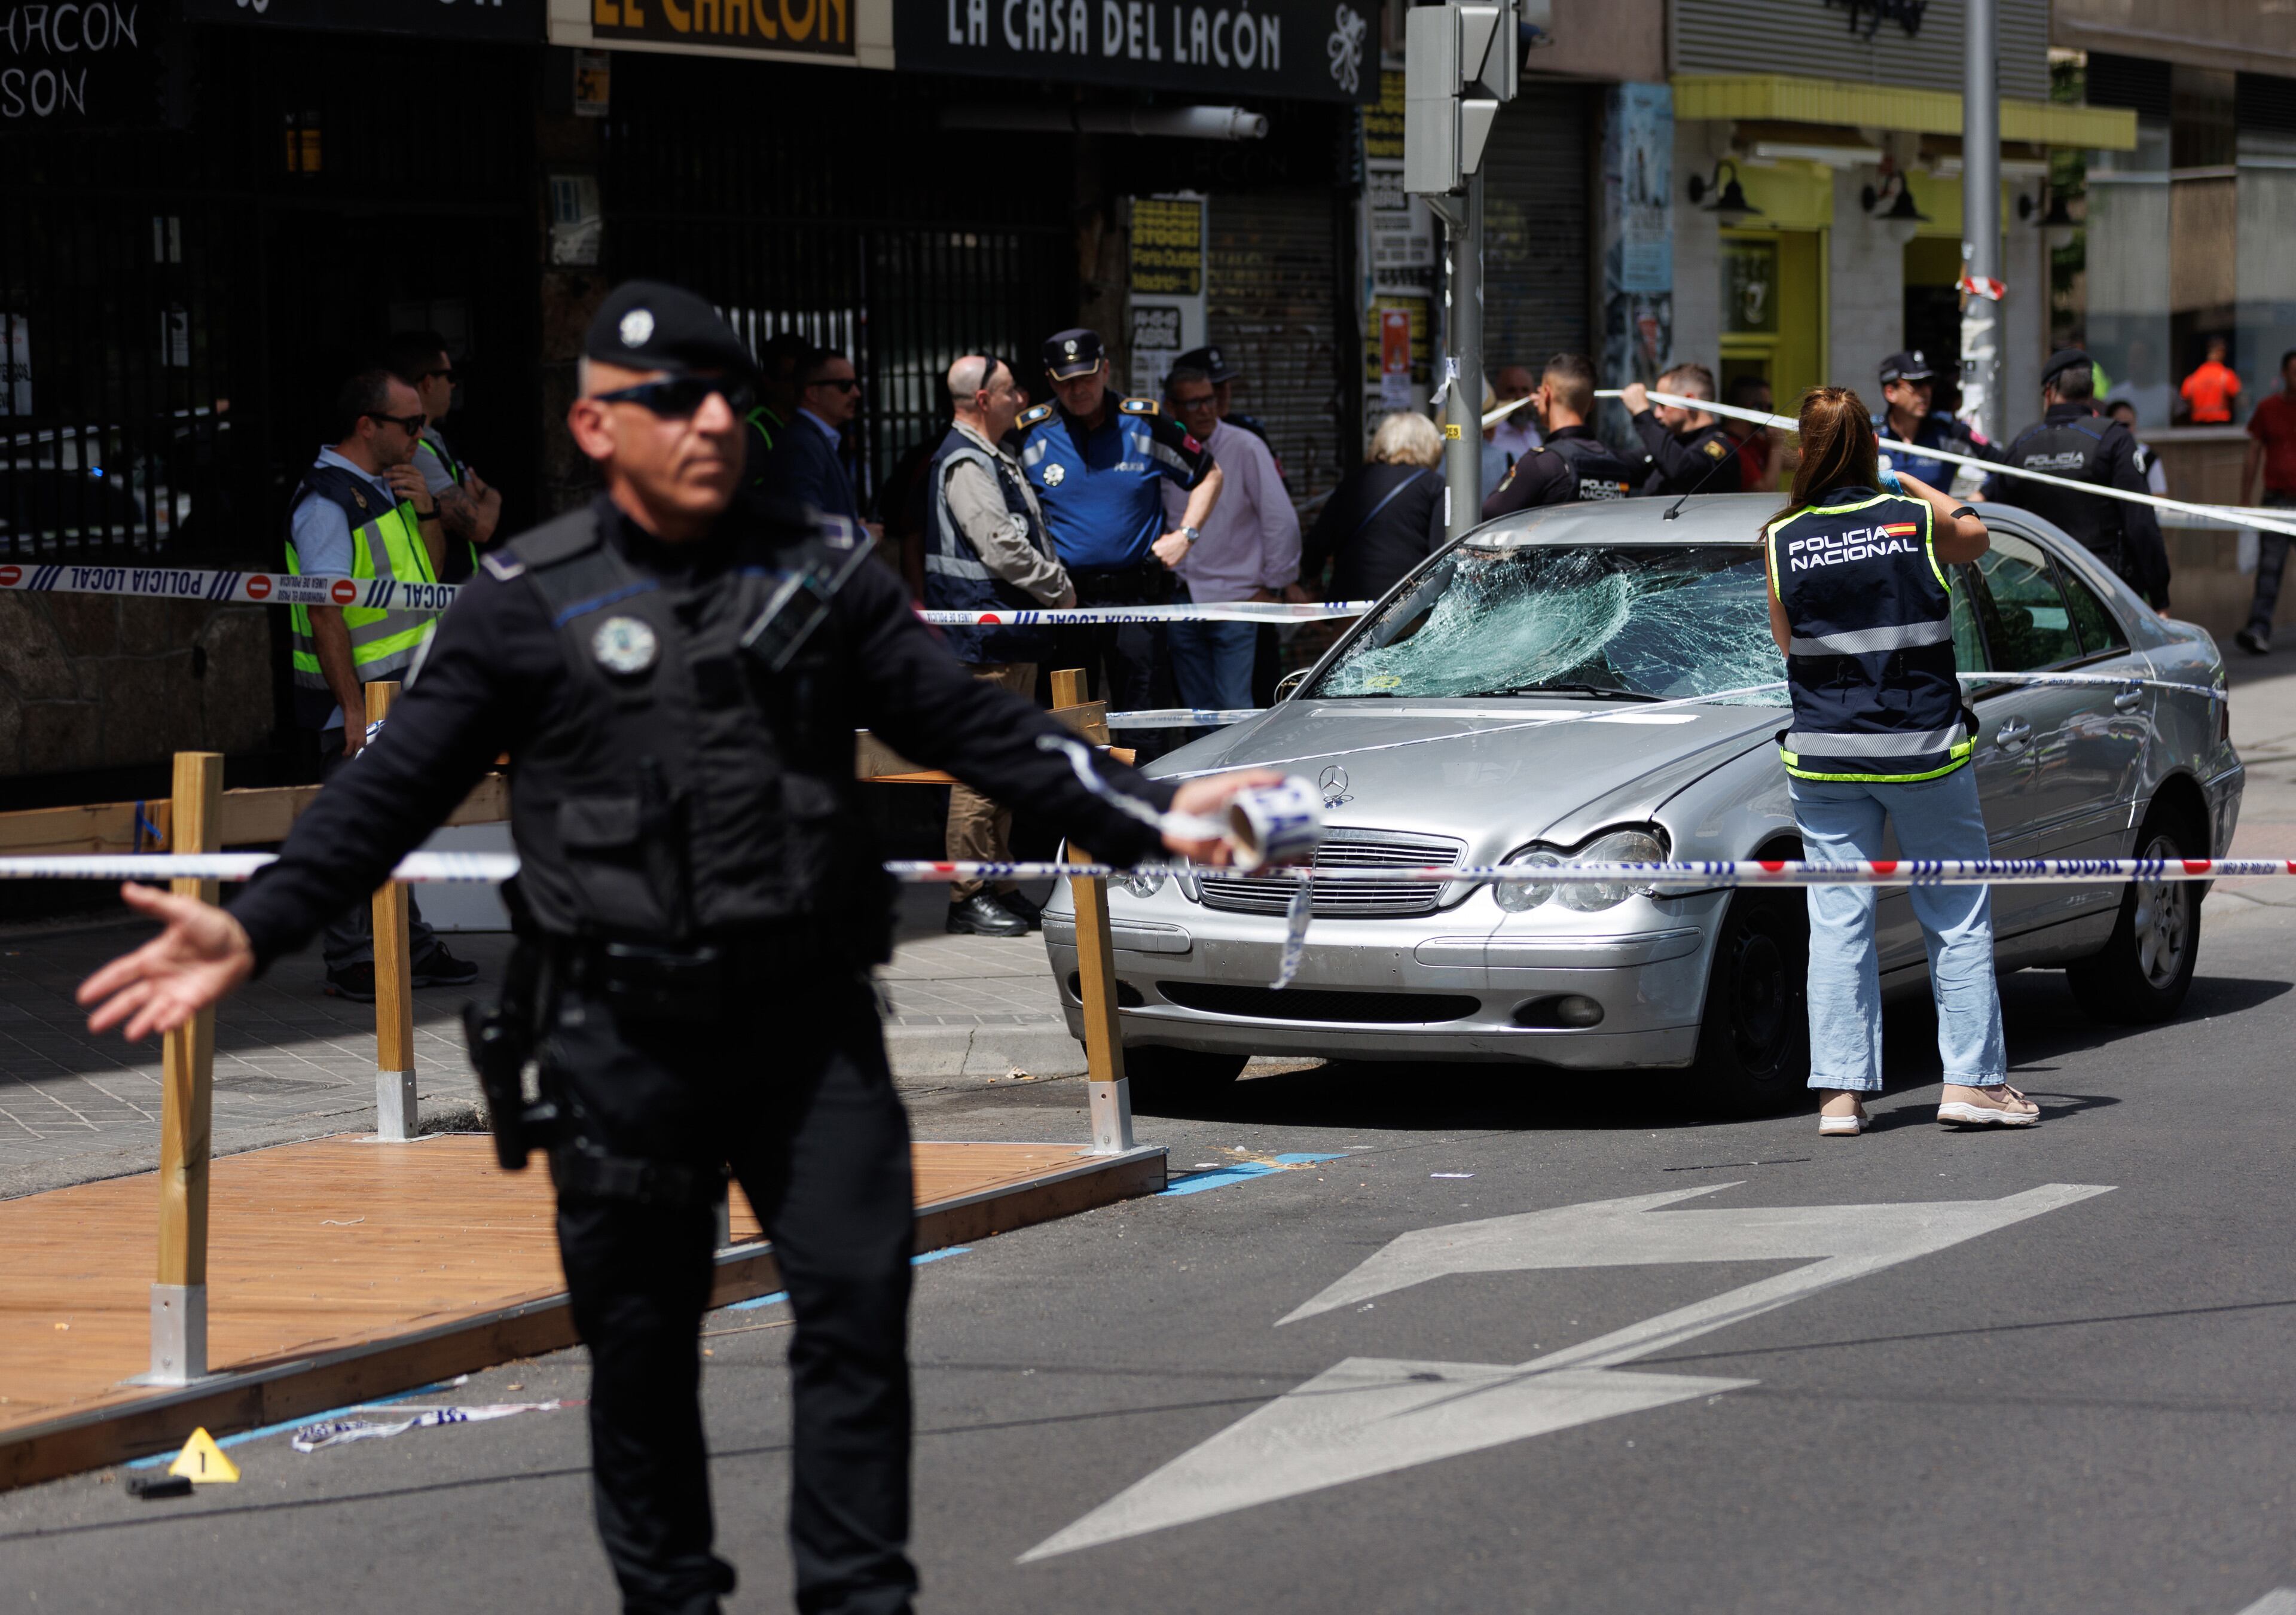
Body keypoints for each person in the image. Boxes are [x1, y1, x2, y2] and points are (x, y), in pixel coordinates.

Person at [79, 281, 1277, 1615]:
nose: (704, 421)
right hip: (619, 1045)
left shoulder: (818, 571)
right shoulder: (528, 596)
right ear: (597, 426)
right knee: (642, 1357)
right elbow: (391, 788)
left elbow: (974, 727)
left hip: (809, 1033)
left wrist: (1151, 811)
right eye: (666, 401)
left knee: (855, 1328)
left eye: (719, 398)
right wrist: (252, 924)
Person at [1762, 386, 2037, 1136]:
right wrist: (1912, 482)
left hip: (1826, 756)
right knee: (1955, 912)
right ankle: (1972, 1083)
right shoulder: (1911, 519)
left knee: (1838, 922)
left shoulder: (1782, 538)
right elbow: (1976, 534)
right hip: (1922, 751)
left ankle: (1840, 1095)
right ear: (1873, 449)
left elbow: (1790, 644)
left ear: (1804, 453)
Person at [282, 368, 477, 1002]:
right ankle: (351, 957)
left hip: (403, 690)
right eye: (411, 424)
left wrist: (427, 509)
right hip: (363, 698)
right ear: (367, 426)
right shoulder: (326, 503)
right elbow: (324, 610)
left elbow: (427, 579)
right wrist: (350, 706)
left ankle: (410, 946)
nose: (423, 434)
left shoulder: (385, 487)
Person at [924, 354, 1076, 936]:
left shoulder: (992, 454)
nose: (1023, 398)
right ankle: (968, 894)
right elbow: (1000, 546)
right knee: (980, 769)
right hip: (985, 639)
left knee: (1005, 765)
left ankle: (1000, 882)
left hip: (1008, 636)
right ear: (983, 400)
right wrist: (1058, 588)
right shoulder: (966, 461)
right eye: (1012, 389)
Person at [1024, 328, 1223, 753]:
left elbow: (1209, 473)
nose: (1078, 390)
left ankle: (1144, 797)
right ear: (1050, 381)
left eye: (1086, 377)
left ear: (1106, 370)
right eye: (1066, 381)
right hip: (1066, 602)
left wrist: (1185, 536)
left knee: (1143, 725)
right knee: (1071, 726)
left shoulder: (1143, 423)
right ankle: (1077, 798)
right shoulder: (1030, 433)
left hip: (1136, 600)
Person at [1158, 364, 1299, 713]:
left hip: (1236, 598)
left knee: (1234, 708)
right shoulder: (1162, 449)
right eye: (1193, 403)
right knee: (1194, 713)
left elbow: (1280, 519)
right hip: (1182, 599)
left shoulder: (1245, 445)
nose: (1205, 410)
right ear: (1172, 407)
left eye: (1209, 400)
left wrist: (1275, 584)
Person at [1987, 348, 2171, 609]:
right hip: (2105, 593)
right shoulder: (2114, 439)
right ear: (2091, 391)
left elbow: (1991, 508)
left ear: (2049, 391)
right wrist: (2159, 597)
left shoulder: (2024, 443)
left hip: (2036, 590)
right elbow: (2140, 523)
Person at [387, 330, 502, 582]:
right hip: (436, 593)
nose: (453, 385)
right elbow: (480, 526)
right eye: (449, 376)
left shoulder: (434, 440)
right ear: (428, 383)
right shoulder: (416, 450)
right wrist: (493, 497)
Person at [1299, 410, 1445, 601]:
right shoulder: (1434, 485)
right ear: (1431, 446)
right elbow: (1440, 552)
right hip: (1409, 605)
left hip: (1350, 606)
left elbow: (1317, 545)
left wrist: (1312, 581)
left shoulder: (1354, 482)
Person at [1480, 353, 1636, 517]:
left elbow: (1489, 515)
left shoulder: (1541, 464)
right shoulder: (1617, 464)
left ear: (1546, 394)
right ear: (1592, 404)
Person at [1868, 350, 2007, 493]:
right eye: (1917, 384)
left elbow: (2005, 467)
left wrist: (1983, 495)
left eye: (1929, 383)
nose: (1926, 392)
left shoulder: (1950, 432)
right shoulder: (1870, 435)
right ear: (1890, 393)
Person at [757, 346, 866, 523]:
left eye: (855, 384)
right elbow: (806, 520)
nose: (856, 393)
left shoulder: (814, 438)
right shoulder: (801, 443)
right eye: (845, 386)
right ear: (813, 393)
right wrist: (861, 534)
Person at [2235, 347, 2296, 654]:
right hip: (2277, 502)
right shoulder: (2268, 408)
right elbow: (2253, 453)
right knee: (2269, 569)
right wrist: (2245, 500)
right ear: (2284, 375)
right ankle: (2258, 629)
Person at [1620, 362, 1742, 498]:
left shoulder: (1721, 449)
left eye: (1662, 405)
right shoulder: (1675, 446)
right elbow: (1622, 463)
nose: (1657, 414)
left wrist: (1642, 413)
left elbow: (1683, 471)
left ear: (1689, 401)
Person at [1173, 344, 1284, 484]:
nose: (1224, 393)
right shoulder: (1164, 442)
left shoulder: (1248, 437)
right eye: (1215, 387)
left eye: (1227, 383)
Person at [742, 329, 813, 484]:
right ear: (769, 382)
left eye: (806, 379)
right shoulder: (754, 431)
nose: (802, 387)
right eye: (792, 379)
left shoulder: (805, 423)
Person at [1723, 373, 1778, 491]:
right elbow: (1764, 491)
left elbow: (1791, 460)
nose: (1769, 413)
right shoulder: (1733, 449)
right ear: (1755, 408)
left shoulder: (1752, 440)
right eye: (1768, 407)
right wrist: (1777, 446)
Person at [2105, 399, 2169, 494]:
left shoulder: (2148, 458)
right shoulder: (2101, 456)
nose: (2126, 430)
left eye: (2129, 424)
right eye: (2120, 425)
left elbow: (2159, 495)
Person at [1488, 364, 1542, 468]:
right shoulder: (1491, 437)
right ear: (1497, 394)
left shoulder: (1534, 436)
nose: (1519, 397)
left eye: (1525, 390)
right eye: (1511, 391)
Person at [2179, 335, 2242, 425]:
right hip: (2222, 426)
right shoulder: (2227, 376)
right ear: (2220, 352)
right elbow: (2241, 402)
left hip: (2197, 428)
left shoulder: (2192, 379)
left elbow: (2184, 403)